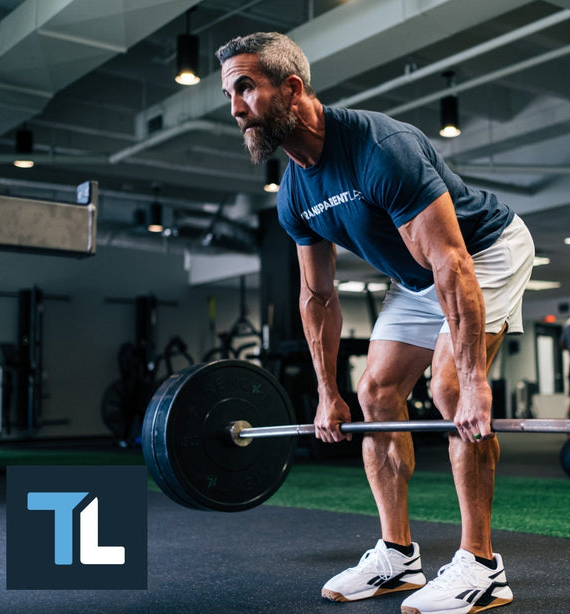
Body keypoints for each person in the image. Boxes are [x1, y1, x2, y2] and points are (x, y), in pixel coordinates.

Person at [216, 33, 534, 614]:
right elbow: (317, 296)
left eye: (245, 87)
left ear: (291, 88)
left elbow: (452, 261)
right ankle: (398, 555)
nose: (235, 108)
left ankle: (483, 566)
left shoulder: (380, 147)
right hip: (417, 276)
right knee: (375, 391)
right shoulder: (293, 192)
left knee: (450, 386)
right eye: (229, 94)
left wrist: (476, 380)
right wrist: (325, 393)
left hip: (483, 251)